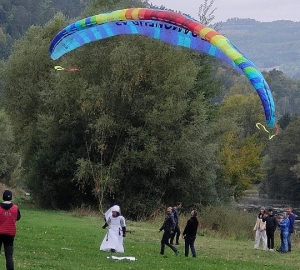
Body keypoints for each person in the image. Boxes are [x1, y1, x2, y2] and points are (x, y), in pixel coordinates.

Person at [0, 190, 21, 270]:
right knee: (9, 255)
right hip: (10, 234)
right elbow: (18, 217)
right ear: (11, 197)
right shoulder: (15, 208)